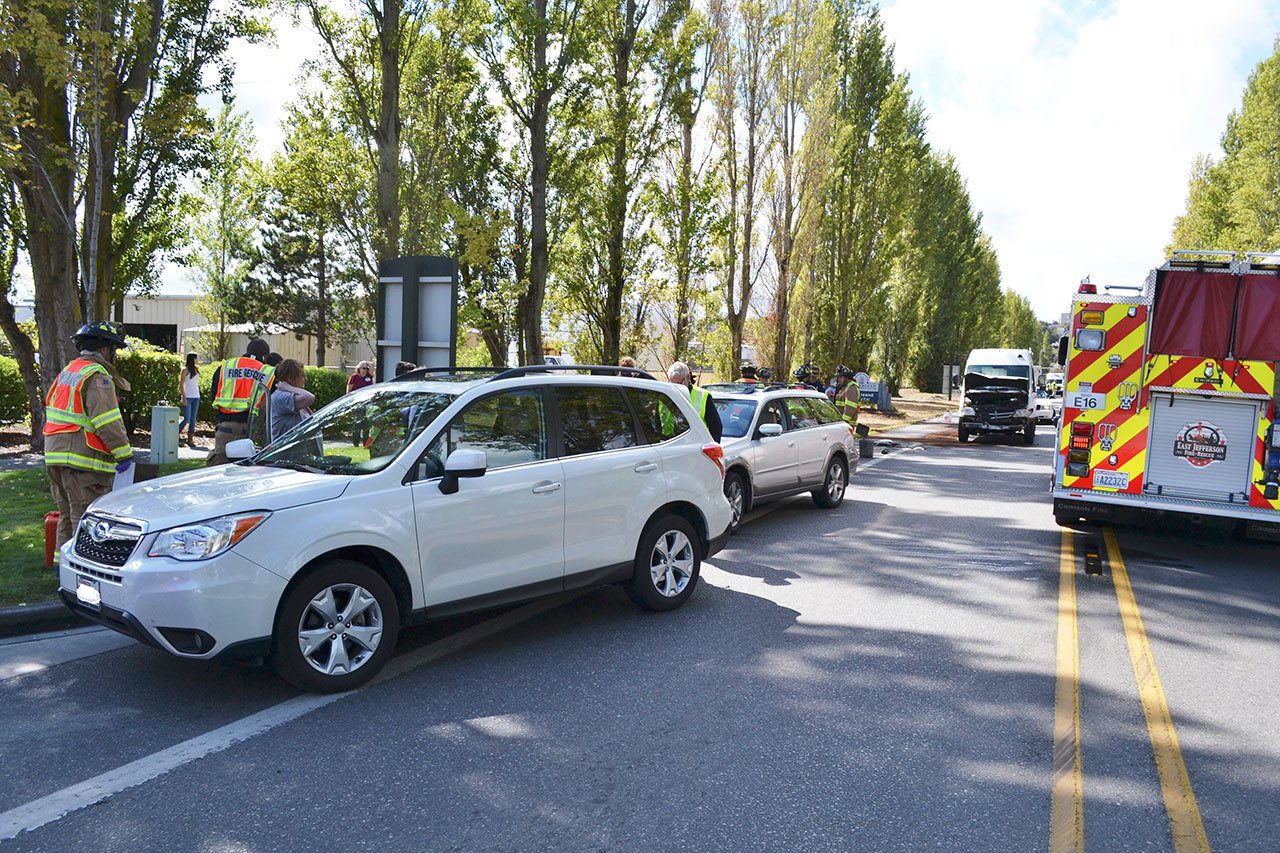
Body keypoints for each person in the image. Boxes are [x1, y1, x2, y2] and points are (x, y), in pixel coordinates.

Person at [43, 321, 133, 552]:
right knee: (84, 516)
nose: (115, 356)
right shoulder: (97, 374)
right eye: (114, 349)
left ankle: (62, 566)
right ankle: (81, 566)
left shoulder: (70, 370)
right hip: (80, 460)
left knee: (67, 514)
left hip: (56, 455)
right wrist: (124, 455)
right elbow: (107, 422)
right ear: (104, 350)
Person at [206, 338, 275, 466]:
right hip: (249, 431)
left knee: (219, 470)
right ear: (264, 355)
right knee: (244, 472)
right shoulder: (267, 372)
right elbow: (270, 403)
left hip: (225, 429)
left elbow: (214, 396)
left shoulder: (225, 367)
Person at [668, 361, 722, 442]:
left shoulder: (703, 396)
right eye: (672, 383)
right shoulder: (666, 395)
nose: (675, 387)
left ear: (688, 378)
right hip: (669, 447)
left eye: (679, 384)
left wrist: (711, 449)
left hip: (696, 447)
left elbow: (716, 426)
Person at [270, 359, 316, 440]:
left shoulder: (291, 394)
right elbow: (310, 397)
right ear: (291, 378)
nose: (305, 378)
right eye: (302, 375)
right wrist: (288, 387)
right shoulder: (281, 397)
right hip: (286, 450)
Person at [347, 360, 375, 446]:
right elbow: (349, 389)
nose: (365, 370)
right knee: (358, 422)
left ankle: (365, 442)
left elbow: (372, 367)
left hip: (367, 402)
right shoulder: (354, 377)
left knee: (367, 422)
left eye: (367, 368)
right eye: (363, 368)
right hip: (357, 402)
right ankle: (356, 442)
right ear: (359, 368)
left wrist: (367, 363)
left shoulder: (369, 376)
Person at [177, 352, 200, 447]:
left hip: (196, 396)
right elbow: (181, 384)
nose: (197, 360)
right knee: (187, 418)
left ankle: (190, 439)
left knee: (193, 419)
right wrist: (184, 397)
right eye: (196, 358)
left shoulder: (196, 369)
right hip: (188, 397)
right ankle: (174, 434)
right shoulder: (185, 370)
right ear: (192, 359)